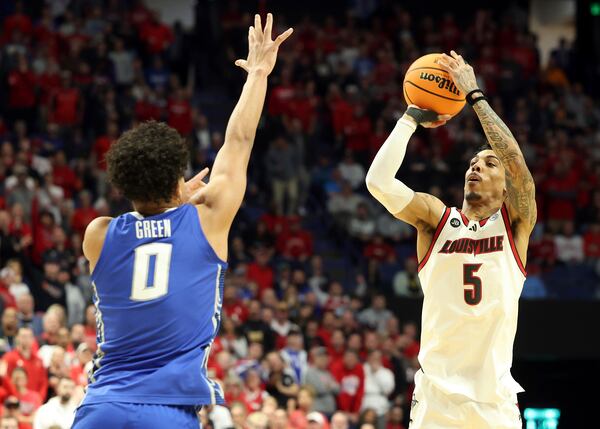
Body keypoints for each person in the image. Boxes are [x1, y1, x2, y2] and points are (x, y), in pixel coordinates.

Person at [71, 13, 293, 429]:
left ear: (123, 184)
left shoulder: (97, 234)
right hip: (167, 412)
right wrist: (259, 73)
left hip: (101, 407)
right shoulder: (207, 219)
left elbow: (143, 216)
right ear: (178, 177)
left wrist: (172, 199)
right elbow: (239, 141)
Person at [365, 51, 536, 429]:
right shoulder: (436, 219)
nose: (476, 165)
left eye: (489, 164)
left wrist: (474, 94)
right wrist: (410, 117)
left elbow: (517, 164)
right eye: (473, 161)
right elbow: (377, 183)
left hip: (494, 400)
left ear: (506, 186)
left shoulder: (515, 223)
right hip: (436, 400)